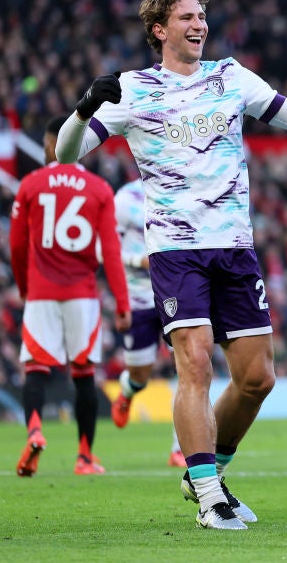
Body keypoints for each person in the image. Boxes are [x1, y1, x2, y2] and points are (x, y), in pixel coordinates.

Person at [56, 0, 287, 530]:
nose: (199, 25)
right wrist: (84, 108)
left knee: (258, 377)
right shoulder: (132, 89)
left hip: (235, 246)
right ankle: (210, 495)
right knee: (195, 360)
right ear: (160, 29)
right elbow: (67, 155)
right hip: (176, 249)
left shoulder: (230, 76)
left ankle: (206, 472)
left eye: (202, 15)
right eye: (186, 17)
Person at [10, 115, 131, 477]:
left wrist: (24, 287)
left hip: (42, 292)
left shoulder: (31, 184)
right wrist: (123, 304)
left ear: (50, 145)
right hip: (82, 294)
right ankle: (84, 456)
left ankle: (34, 430)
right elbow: (111, 252)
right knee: (83, 374)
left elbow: (17, 245)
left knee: (35, 367)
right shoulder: (98, 189)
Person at [108, 178, 186, 466]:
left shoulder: (179, 191)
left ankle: (180, 449)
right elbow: (108, 249)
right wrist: (137, 260)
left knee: (189, 371)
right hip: (138, 297)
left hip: (174, 293)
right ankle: (128, 390)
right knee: (140, 374)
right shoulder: (124, 199)